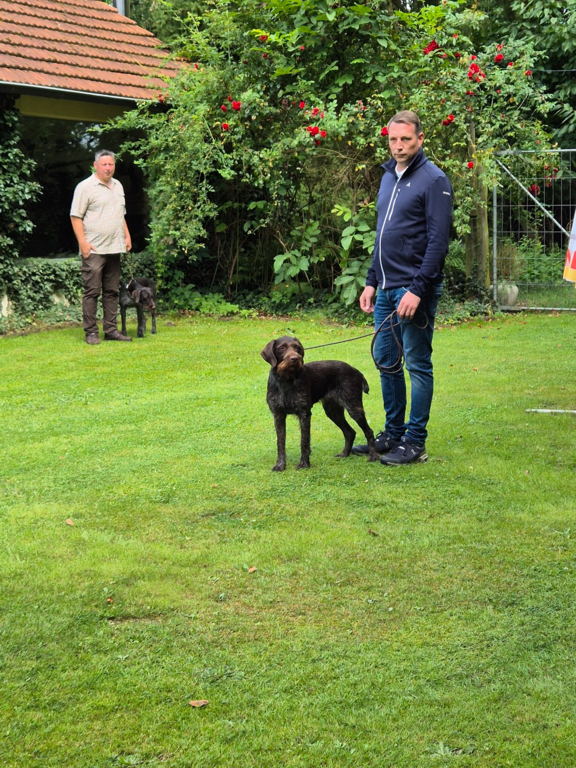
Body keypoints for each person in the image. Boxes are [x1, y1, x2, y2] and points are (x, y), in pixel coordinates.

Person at [352, 111, 452, 465]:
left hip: (413, 290)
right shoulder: (387, 177)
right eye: (393, 139)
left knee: (417, 365)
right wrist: (371, 281)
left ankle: (415, 442)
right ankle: (393, 434)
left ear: (420, 139)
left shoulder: (434, 180)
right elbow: (382, 237)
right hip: (385, 289)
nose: (398, 146)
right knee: (386, 361)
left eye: (406, 139)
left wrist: (418, 289)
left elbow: (438, 244)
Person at [70, 149, 133, 344]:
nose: (108, 168)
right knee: (92, 292)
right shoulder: (85, 187)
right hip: (94, 249)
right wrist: (83, 244)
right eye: (104, 164)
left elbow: (120, 215)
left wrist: (127, 236)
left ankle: (111, 331)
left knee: (112, 292)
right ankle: (91, 332)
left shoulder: (118, 185)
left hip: (115, 247)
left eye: (111, 164)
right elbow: (75, 216)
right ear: (95, 165)